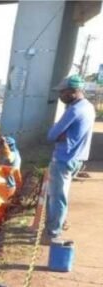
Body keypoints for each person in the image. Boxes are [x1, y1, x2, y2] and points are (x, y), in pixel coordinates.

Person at [45, 75, 95, 241]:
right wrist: (63, 134)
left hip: (63, 159)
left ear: (73, 91)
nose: (60, 96)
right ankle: (59, 223)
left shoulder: (73, 110)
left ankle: (53, 233)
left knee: (56, 198)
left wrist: (61, 135)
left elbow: (52, 135)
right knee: (61, 194)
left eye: (62, 92)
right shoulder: (88, 107)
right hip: (78, 159)